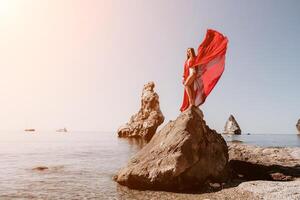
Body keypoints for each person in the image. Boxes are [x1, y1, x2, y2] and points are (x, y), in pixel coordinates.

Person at [180, 29, 228, 112]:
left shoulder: (195, 58)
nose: (188, 52)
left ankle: (191, 102)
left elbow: (203, 59)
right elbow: (185, 70)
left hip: (193, 74)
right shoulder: (186, 61)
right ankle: (191, 102)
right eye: (187, 51)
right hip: (190, 75)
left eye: (190, 51)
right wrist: (183, 77)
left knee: (186, 85)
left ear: (192, 52)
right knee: (188, 87)